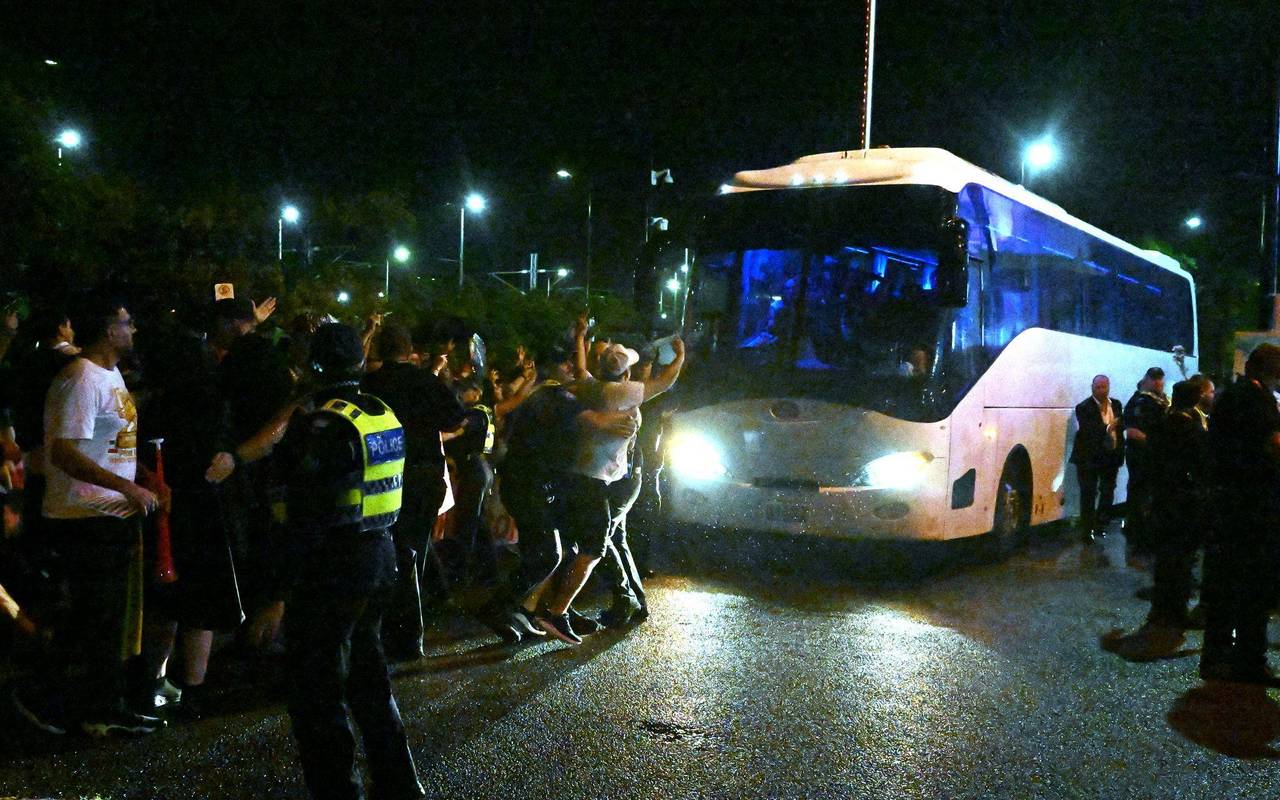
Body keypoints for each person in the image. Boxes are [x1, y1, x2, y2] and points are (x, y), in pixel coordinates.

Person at [252, 323, 425, 800]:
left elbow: (307, 517)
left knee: (318, 693)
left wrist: (277, 594)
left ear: (314, 366)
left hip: (332, 564)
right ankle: (400, 785)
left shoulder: (324, 425)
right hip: (380, 553)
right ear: (360, 362)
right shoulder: (379, 413)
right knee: (370, 680)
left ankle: (338, 792)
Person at [12, 296, 168, 737]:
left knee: (105, 620)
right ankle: (54, 699)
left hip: (110, 513)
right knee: (92, 618)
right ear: (107, 329)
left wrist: (142, 479)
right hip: (82, 515)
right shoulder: (80, 378)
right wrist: (126, 487)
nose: (133, 329)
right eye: (127, 322)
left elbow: (111, 445)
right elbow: (63, 452)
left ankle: (102, 706)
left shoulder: (109, 375)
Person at [535, 337, 686, 644]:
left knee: (584, 544)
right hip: (595, 481)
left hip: (582, 477)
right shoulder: (620, 392)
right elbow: (665, 382)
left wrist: (581, 339)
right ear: (626, 374)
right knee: (595, 547)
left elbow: (581, 370)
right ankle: (556, 612)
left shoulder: (592, 386)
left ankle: (550, 606)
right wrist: (680, 356)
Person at [361, 323, 468, 658]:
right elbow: (455, 418)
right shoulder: (426, 381)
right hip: (423, 475)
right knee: (412, 552)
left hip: (382, 475)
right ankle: (408, 635)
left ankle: (386, 627)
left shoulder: (370, 383)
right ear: (409, 351)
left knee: (388, 549)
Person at [1100, 376, 1213, 661]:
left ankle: (1163, 610)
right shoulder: (1191, 428)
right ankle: (1174, 611)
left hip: (1164, 501)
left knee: (1166, 559)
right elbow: (1202, 464)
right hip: (1184, 503)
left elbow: (1151, 459)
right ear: (1196, 399)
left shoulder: (1163, 424)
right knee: (1181, 560)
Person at [1199, 345, 1280, 686]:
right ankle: (1248, 660)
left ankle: (1217, 656)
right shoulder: (1257, 400)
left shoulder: (1231, 396)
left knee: (1224, 585)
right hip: (1251, 509)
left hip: (1227, 506)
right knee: (1252, 587)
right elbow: (1273, 445)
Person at [1069, 375, 1125, 541]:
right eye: (1098, 387)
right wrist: (1109, 427)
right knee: (1088, 493)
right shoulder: (1084, 407)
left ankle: (1100, 524)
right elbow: (1089, 430)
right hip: (1089, 457)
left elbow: (1122, 425)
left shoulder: (1116, 405)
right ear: (1092, 388)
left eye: (1104, 387)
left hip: (1110, 456)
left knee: (1108, 491)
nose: (1101, 390)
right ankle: (1087, 530)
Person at [1123, 367, 1169, 556]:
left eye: (1161, 379)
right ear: (1147, 380)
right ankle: (1137, 533)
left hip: (1152, 454)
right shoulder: (1142, 401)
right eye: (1155, 379)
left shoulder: (1159, 400)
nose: (1159, 383)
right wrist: (1154, 442)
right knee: (1140, 493)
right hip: (1142, 455)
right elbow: (1134, 431)